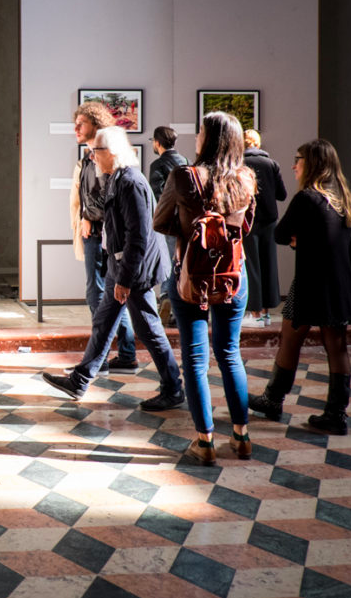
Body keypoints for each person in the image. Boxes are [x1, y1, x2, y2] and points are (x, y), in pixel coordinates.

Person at [45, 127, 183, 410]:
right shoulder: (117, 178)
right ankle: (80, 379)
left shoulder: (131, 182)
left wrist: (125, 278)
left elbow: (138, 236)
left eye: (96, 151)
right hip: (119, 266)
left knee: (148, 328)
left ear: (112, 152)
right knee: (104, 321)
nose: (92, 156)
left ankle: (173, 387)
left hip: (134, 270)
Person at [153, 111, 256, 465]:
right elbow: (246, 229)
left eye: (199, 132)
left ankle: (205, 442)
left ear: (209, 139)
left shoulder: (184, 176)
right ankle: (241, 437)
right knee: (230, 353)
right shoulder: (246, 178)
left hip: (191, 277)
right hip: (233, 276)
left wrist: (191, 231)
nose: (195, 137)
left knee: (196, 360)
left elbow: (159, 221)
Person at [248, 138, 351, 435]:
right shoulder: (341, 196)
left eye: (299, 159)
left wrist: (300, 239)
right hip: (340, 284)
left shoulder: (307, 198)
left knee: (290, 340)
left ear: (312, 163)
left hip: (311, 282)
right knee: (336, 346)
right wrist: (306, 239)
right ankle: (337, 414)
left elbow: (281, 234)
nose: (294, 165)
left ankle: (273, 399)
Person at [69, 103, 137, 373]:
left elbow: (107, 196)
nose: (76, 129)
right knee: (103, 296)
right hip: (93, 233)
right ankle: (122, 354)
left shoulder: (104, 159)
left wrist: (89, 216)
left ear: (95, 125)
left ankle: (103, 357)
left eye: (81, 124)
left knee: (99, 296)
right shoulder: (87, 158)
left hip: (101, 234)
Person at [240, 129, 287, 328]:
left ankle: (256, 313)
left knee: (252, 266)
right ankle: (267, 313)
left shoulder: (240, 164)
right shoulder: (272, 164)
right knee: (269, 264)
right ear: (258, 144)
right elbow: (282, 195)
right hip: (269, 221)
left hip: (248, 221)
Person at [148, 125, 188, 326]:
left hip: (168, 222)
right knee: (181, 261)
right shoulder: (185, 162)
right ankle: (178, 302)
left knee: (168, 261)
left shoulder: (157, 165)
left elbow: (158, 196)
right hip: (186, 221)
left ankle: (166, 297)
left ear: (157, 142)